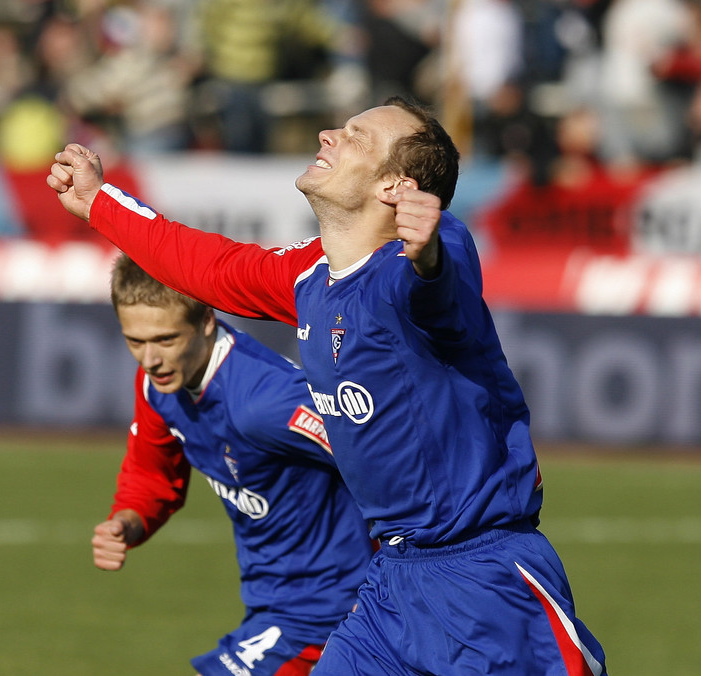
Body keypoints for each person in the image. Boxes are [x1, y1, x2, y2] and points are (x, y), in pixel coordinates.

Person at [50, 97, 607, 675]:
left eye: (356, 137)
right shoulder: (311, 277)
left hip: (482, 583)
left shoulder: (421, 260)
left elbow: (439, 287)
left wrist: (429, 253)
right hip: (391, 586)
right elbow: (206, 267)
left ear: (395, 185)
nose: (328, 135)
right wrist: (97, 202)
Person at [94, 254, 372, 676]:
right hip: (273, 600)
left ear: (206, 319)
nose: (149, 359)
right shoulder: (159, 385)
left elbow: (383, 456)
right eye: (135, 341)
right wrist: (127, 521)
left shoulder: (265, 401)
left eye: (166, 339)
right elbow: (153, 474)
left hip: (330, 608)